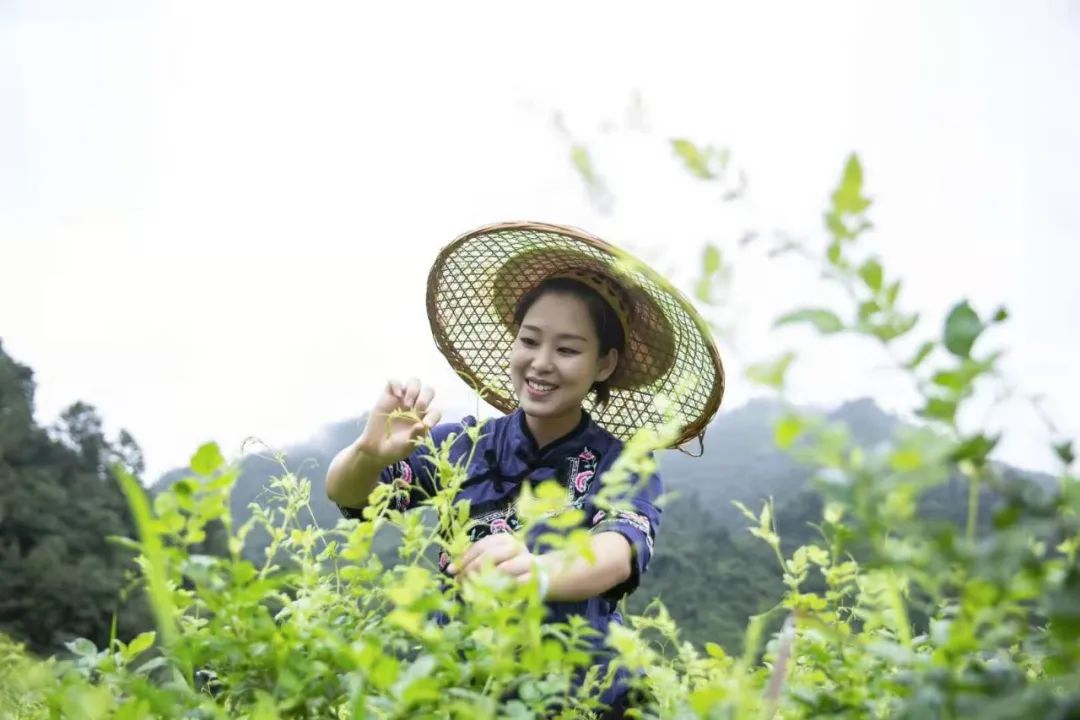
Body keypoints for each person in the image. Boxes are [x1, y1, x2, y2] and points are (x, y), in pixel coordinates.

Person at [326, 221, 725, 718]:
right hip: (470, 690)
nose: (540, 363)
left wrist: (536, 572)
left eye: (567, 349)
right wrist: (368, 452)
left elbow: (618, 551)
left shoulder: (623, 462)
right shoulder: (466, 445)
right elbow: (352, 498)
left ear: (604, 364)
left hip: (588, 697)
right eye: (530, 340)